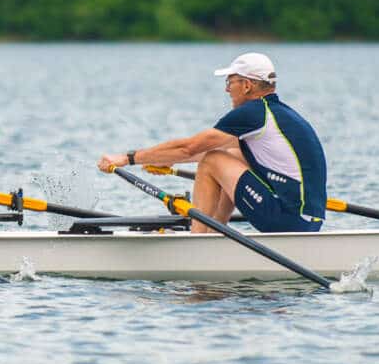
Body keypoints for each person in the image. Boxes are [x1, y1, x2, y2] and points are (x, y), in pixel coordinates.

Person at [97, 52, 327, 233]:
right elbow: (202, 152)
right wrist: (162, 159)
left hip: (287, 220)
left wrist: (127, 158)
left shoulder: (252, 113)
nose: (227, 90)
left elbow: (190, 148)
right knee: (230, 155)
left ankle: (200, 239)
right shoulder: (280, 115)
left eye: (230, 82)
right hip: (309, 221)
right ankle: (216, 231)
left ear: (247, 85)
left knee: (212, 161)